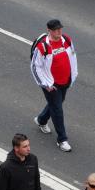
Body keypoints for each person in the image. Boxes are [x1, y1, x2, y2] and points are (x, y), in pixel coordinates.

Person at [31, 19, 78, 152]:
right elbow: (35, 67)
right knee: (57, 109)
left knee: (57, 103)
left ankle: (41, 120)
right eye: (56, 30)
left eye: (60, 29)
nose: (59, 31)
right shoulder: (43, 47)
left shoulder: (66, 40)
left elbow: (73, 57)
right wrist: (45, 84)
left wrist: (73, 75)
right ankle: (62, 140)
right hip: (51, 84)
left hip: (65, 80)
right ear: (49, 31)